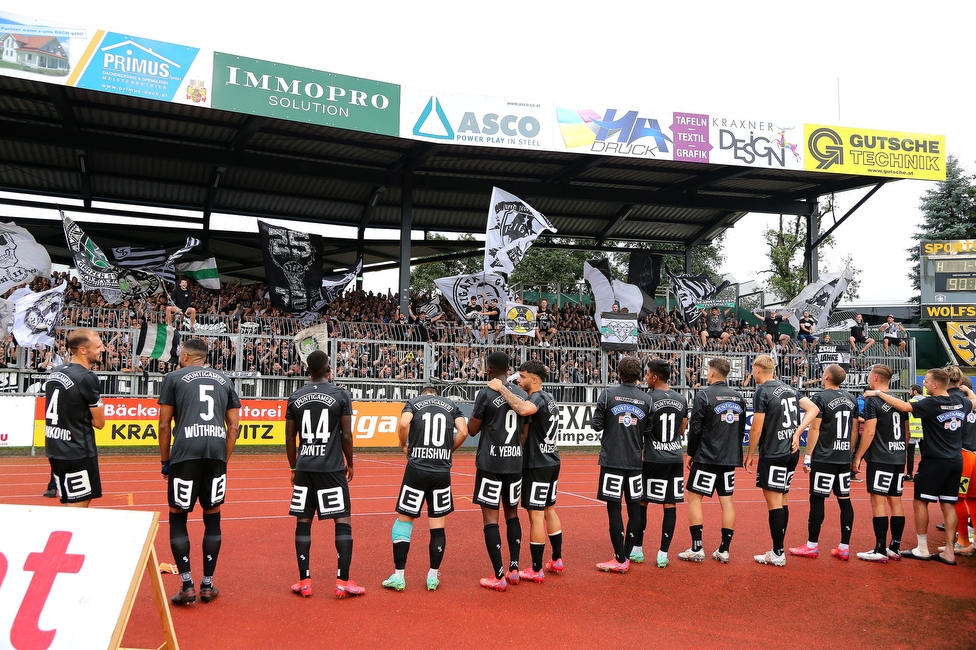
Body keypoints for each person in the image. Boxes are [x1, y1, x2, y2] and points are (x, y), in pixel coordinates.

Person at [158, 338, 241, 605]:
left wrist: (165, 462)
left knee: (178, 516)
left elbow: (163, 424)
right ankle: (207, 584)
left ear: (184, 356)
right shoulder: (225, 380)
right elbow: (234, 427)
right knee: (212, 516)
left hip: (185, 452)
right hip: (215, 452)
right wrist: (223, 460)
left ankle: (186, 585)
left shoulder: (174, 377)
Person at [871, 367, 976, 564]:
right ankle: (950, 552)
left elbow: (903, 407)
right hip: (956, 459)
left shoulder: (932, 403)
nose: (924, 384)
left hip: (934, 460)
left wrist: (878, 393)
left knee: (920, 501)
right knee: (949, 503)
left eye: (926, 381)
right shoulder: (960, 402)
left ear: (936, 385)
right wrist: (967, 390)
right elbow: (974, 402)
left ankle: (922, 548)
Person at [285, 350, 365, 599]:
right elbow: (347, 435)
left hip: (305, 468)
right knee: (342, 520)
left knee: (303, 521)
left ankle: (304, 581)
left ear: (308, 371)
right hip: (331, 469)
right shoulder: (340, 395)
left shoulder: (296, 396)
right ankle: (342, 581)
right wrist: (350, 462)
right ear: (329, 369)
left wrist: (293, 467)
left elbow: (289, 437)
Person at [382, 385, 467, 592]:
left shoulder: (414, 402)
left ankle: (399, 576)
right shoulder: (451, 405)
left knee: (404, 519)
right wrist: (449, 450)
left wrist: (404, 444)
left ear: (422, 394)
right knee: (437, 525)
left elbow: (403, 423)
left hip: (417, 469)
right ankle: (432, 575)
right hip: (441, 471)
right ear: (437, 395)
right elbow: (464, 431)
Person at [489, 359, 563, 583]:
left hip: (537, 463)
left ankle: (536, 568)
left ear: (534, 379)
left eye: (522, 376)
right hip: (552, 460)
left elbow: (523, 409)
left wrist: (501, 388)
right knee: (550, 509)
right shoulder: (550, 398)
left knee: (536, 514)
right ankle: (557, 559)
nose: (518, 380)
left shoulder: (538, 397)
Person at [468, 352, 526, 591]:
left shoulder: (486, 393)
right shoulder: (522, 394)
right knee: (512, 514)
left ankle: (498, 574)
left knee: (490, 518)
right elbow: (524, 434)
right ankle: (514, 568)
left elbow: (472, 430)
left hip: (490, 463)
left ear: (489, 370)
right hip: (514, 464)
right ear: (509, 368)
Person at [678, 358, 746, 563]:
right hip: (729, 457)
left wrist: (691, 452)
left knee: (694, 499)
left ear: (713, 373)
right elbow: (740, 428)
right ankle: (724, 549)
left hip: (707, 456)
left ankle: (697, 547)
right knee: (727, 502)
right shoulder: (739, 397)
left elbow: (696, 427)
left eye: (707, 370)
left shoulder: (704, 395)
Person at [790, 364, 860, 561]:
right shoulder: (851, 398)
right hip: (843, 457)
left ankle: (812, 545)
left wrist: (808, 456)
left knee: (817, 499)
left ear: (827, 377)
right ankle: (844, 546)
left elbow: (815, 429)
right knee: (844, 500)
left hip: (824, 456)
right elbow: (854, 431)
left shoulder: (820, 398)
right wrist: (850, 453)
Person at [592, 356, 653, 573]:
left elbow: (596, 424)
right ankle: (626, 554)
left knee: (614, 508)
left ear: (618, 373)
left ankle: (619, 558)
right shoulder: (647, 399)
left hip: (612, 461)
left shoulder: (608, 394)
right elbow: (648, 430)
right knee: (634, 508)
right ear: (638, 375)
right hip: (636, 462)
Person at [744, 354, 804, 567]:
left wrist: (750, 454)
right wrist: (797, 433)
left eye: (753, 369)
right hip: (791, 450)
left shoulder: (762, 391)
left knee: (774, 502)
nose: (752, 373)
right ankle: (778, 548)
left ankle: (777, 551)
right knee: (783, 498)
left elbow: (757, 427)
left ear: (758, 368)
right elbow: (813, 409)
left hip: (774, 452)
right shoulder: (789, 388)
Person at [850, 364, 908, 563]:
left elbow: (870, 431)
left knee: (878, 501)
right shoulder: (899, 401)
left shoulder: (873, 400)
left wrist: (858, 456)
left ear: (875, 378)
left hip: (881, 457)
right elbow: (906, 433)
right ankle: (895, 546)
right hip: (898, 456)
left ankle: (880, 548)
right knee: (896, 500)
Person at [633, 358, 687, 569]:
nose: (645, 378)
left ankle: (637, 549)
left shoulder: (647, 399)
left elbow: (642, 429)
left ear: (655, 377)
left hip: (652, 458)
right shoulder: (681, 398)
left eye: (647, 375)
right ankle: (663, 554)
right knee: (670, 505)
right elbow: (682, 429)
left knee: (642, 502)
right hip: (674, 457)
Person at [44, 328, 106, 507]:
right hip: (78, 451)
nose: (102, 350)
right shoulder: (86, 377)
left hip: (55, 448)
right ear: (83, 350)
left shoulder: (55, 372)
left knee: (69, 508)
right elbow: (99, 422)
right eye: (98, 346)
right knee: (77, 514)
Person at [944, 368, 976, 556]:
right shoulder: (971, 401)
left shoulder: (952, 402)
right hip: (974, 453)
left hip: (961, 454)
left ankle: (963, 539)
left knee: (956, 498)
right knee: (973, 499)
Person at [906, 383, 924, 481]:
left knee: (910, 455)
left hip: (912, 432)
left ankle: (909, 474)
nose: (909, 392)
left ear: (915, 391)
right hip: (924, 433)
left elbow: (908, 417)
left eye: (910, 390)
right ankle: (922, 473)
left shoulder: (911, 402)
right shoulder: (927, 401)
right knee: (925, 455)